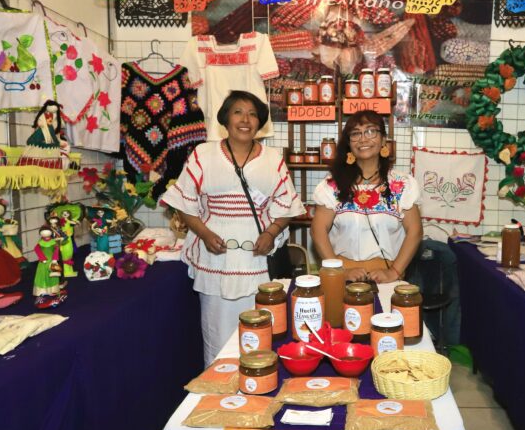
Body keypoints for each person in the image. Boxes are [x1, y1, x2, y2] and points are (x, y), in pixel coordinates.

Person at [161, 90, 304, 363]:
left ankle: (259, 381)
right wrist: (204, 234)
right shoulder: (203, 154)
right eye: (238, 112)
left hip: (258, 260)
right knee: (217, 335)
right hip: (216, 259)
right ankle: (218, 385)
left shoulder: (273, 158)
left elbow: (287, 206)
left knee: (260, 333)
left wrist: (271, 233)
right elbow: (184, 202)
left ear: (260, 122)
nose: (245, 120)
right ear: (225, 118)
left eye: (252, 114)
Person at [311, 110, 422, 284]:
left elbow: (415, 231)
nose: (363, 139)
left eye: (371, 131)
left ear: (383, 140)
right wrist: (340, 271)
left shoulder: (402, 184)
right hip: (343, 278)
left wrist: (394, 272)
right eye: (355, 133)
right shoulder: (332, 186)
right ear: (349, 143)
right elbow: (318, 231)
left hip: (387, 279)